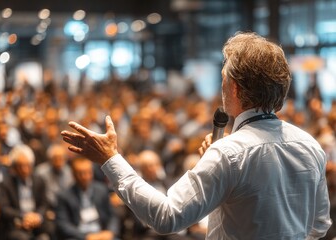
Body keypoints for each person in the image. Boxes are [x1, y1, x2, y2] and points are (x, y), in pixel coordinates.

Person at [61, 32, 332, 239]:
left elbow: (166, 217)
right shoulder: (310, 146)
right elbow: (319, 225)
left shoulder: (229, 153)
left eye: (224, 78)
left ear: (235, 88)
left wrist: (110, 158)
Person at [55, 157, 120, 240]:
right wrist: (85, 236)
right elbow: (62, 224)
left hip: (101, 234)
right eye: (80, 173)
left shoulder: (101, 190)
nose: (84, 177)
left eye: (87, 172)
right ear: (73, 174)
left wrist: (110, 231)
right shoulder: (64, 196)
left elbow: (112, 216)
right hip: (79, 236)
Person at [0, 144, 50, 240]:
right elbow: (5, 209)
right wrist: (23, 216)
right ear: (14, 167)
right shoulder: (6, 183)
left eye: (27, 165)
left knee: (50, 231)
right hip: (16, 222)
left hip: (35, 220)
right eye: (20, 166)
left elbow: (44, 203)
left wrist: (37, 216)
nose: (24, 169)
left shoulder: (39, 180)